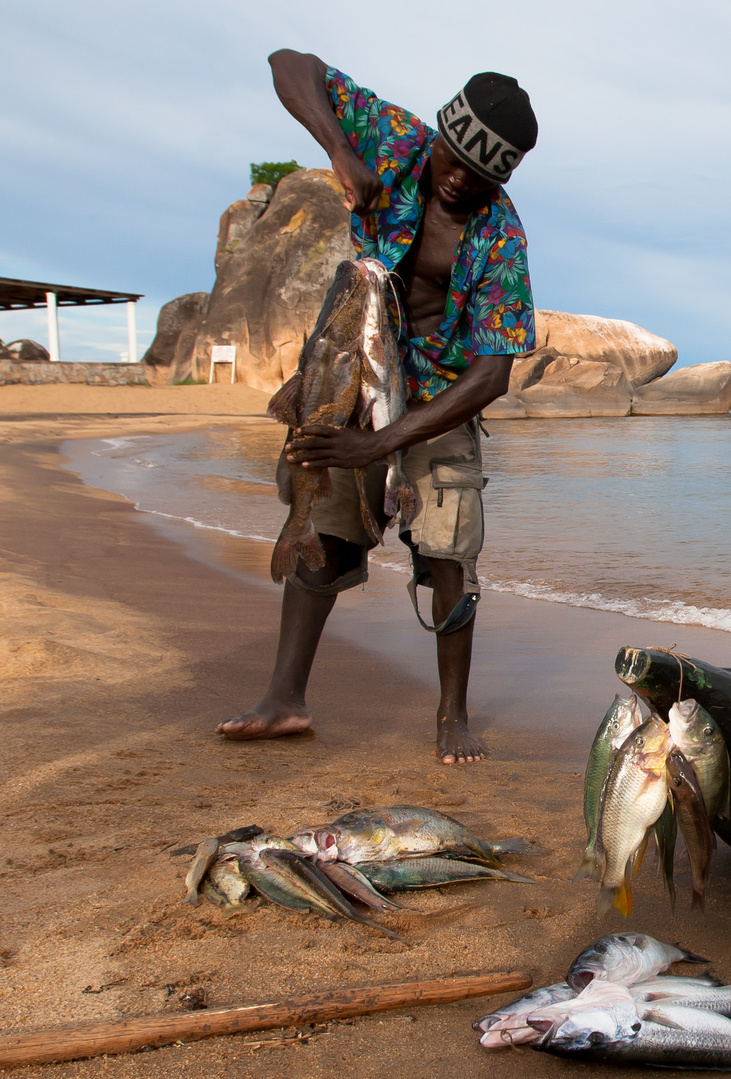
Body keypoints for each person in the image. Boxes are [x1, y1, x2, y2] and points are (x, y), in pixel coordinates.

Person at [218, 50, 538, 764]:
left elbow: (491, 375)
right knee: (321, 522)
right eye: (452, 160)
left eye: (477, 177)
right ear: (441, 137)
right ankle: (284, 699)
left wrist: (386, 440)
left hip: (436, 401)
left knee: (449, 546)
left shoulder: (501, 239)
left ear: (501, 179)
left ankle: (452, 716)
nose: (456, 181)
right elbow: (287, 63)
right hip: (347, 369)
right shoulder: (394, 140)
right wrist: (338, 150)